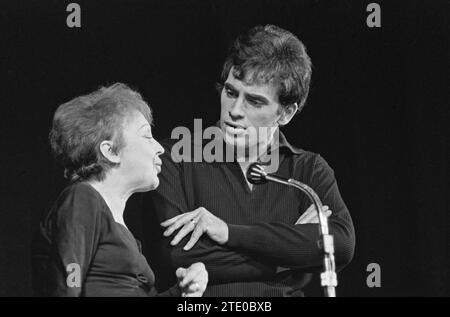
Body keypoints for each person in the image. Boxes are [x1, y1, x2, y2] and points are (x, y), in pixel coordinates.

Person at [135, 25, 355, 297]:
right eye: (230, 92)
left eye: (254, 101)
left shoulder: (308, 170)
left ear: (286, 113)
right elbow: (179, 256)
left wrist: (228, 233)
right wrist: (293, 251)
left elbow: (340, 246)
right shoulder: (174, 158)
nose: (235, 111)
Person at [31, 83, 208, 297]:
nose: (160, 147)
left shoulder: (123, 234)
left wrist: (183, 292)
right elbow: (70, 276)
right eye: (146, 136)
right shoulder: (83, 198)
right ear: (111, 151)